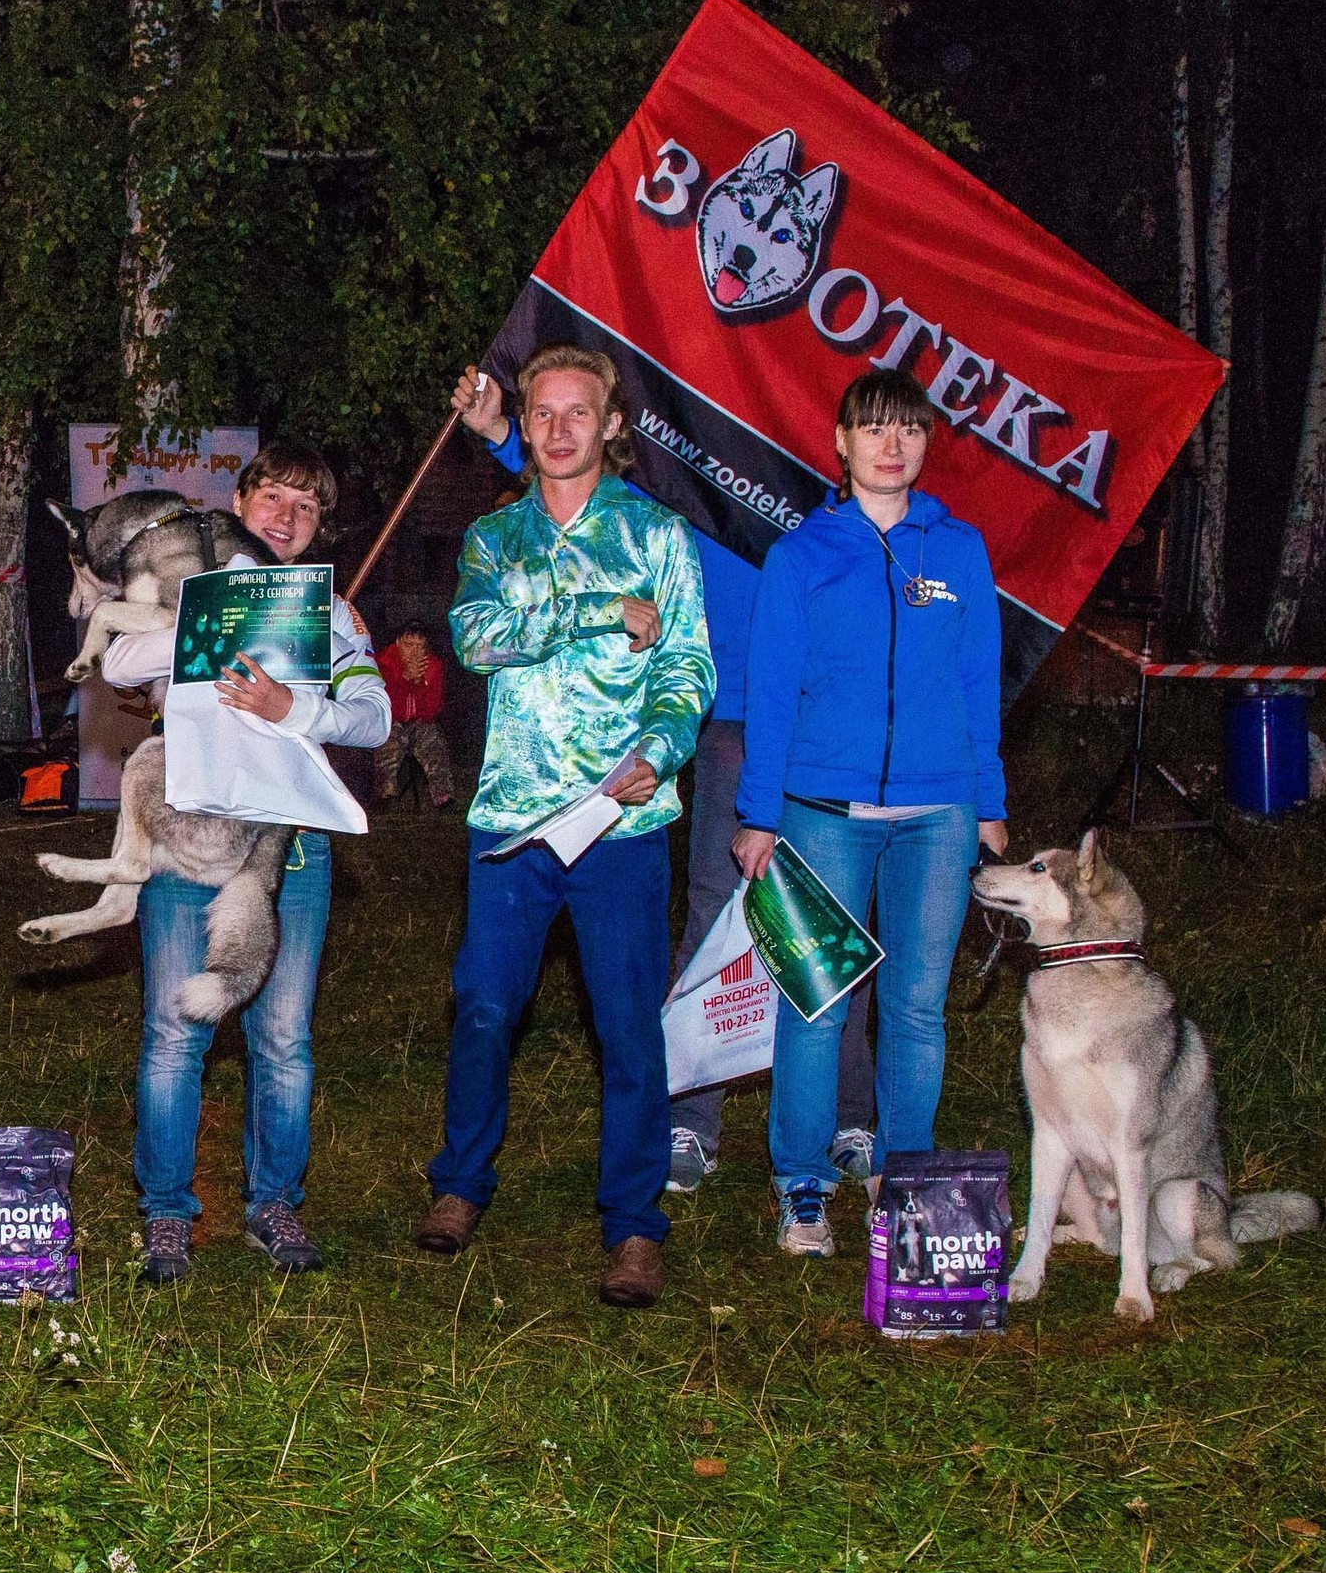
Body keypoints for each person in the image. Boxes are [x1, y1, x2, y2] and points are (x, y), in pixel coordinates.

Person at [452, 372, 879, 1194]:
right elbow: (566, 482)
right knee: (714, 912)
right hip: (722, 723)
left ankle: (850, 1114)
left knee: (831, 920)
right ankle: (691, 1119)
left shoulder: (830, 506)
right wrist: (505, 431)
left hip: (826, 730)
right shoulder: (678, 482)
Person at [415, 346, 714, 1309]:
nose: (556, 430)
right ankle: (460, 1185)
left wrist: (660, 753)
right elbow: (475, 636)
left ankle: (633, 1225)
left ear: (612, 427)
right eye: (541, 414)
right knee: (486, 1007)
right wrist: (595, 609)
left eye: (577, 413)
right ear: (525, 424)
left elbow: (689, 673)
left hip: (620, 825)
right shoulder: (494, 538)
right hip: (513, 817)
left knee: (629, 1027)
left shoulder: (660, 536)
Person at [93, 446, 392, 1282]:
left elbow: (373, 719)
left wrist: (290, 705)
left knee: (284, 1038)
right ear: (238, 500)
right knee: (171, 1035)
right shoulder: (185, 590)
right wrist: (212, 624)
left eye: (306, 507)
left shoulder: (331, 616)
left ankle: (273, 1206)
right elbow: (118, 663)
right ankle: (165, 1215)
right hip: (190, 841)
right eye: (273, 498)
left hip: (290, 848)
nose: (286, 517)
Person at [731, 368, 1008, 1257]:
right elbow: (768, 693)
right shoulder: (801, 556)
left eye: (911, 430)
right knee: (816, 1004)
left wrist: (990, 801)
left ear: (928, 444)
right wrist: (757, 811)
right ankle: (802, 1186)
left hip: (940, 813)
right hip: (822, 811)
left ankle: (906, 1178)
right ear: (841, 443)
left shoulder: (960, 551)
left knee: (918, 1006)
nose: (894, 445)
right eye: (875, 429)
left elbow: (978, 683)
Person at [373, 625, 455, 809]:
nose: (414, 652)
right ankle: (385, 796)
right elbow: (385, 703)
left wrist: (420, 683)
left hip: (419, 722)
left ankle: (443, 796)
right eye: (409, 645)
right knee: (388, 741)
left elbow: (432, 710)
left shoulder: (433, 666)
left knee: (433, 740)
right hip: (391, 719)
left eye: (420, 647)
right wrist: (405, 679)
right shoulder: (383, 662)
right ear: (398, 643)